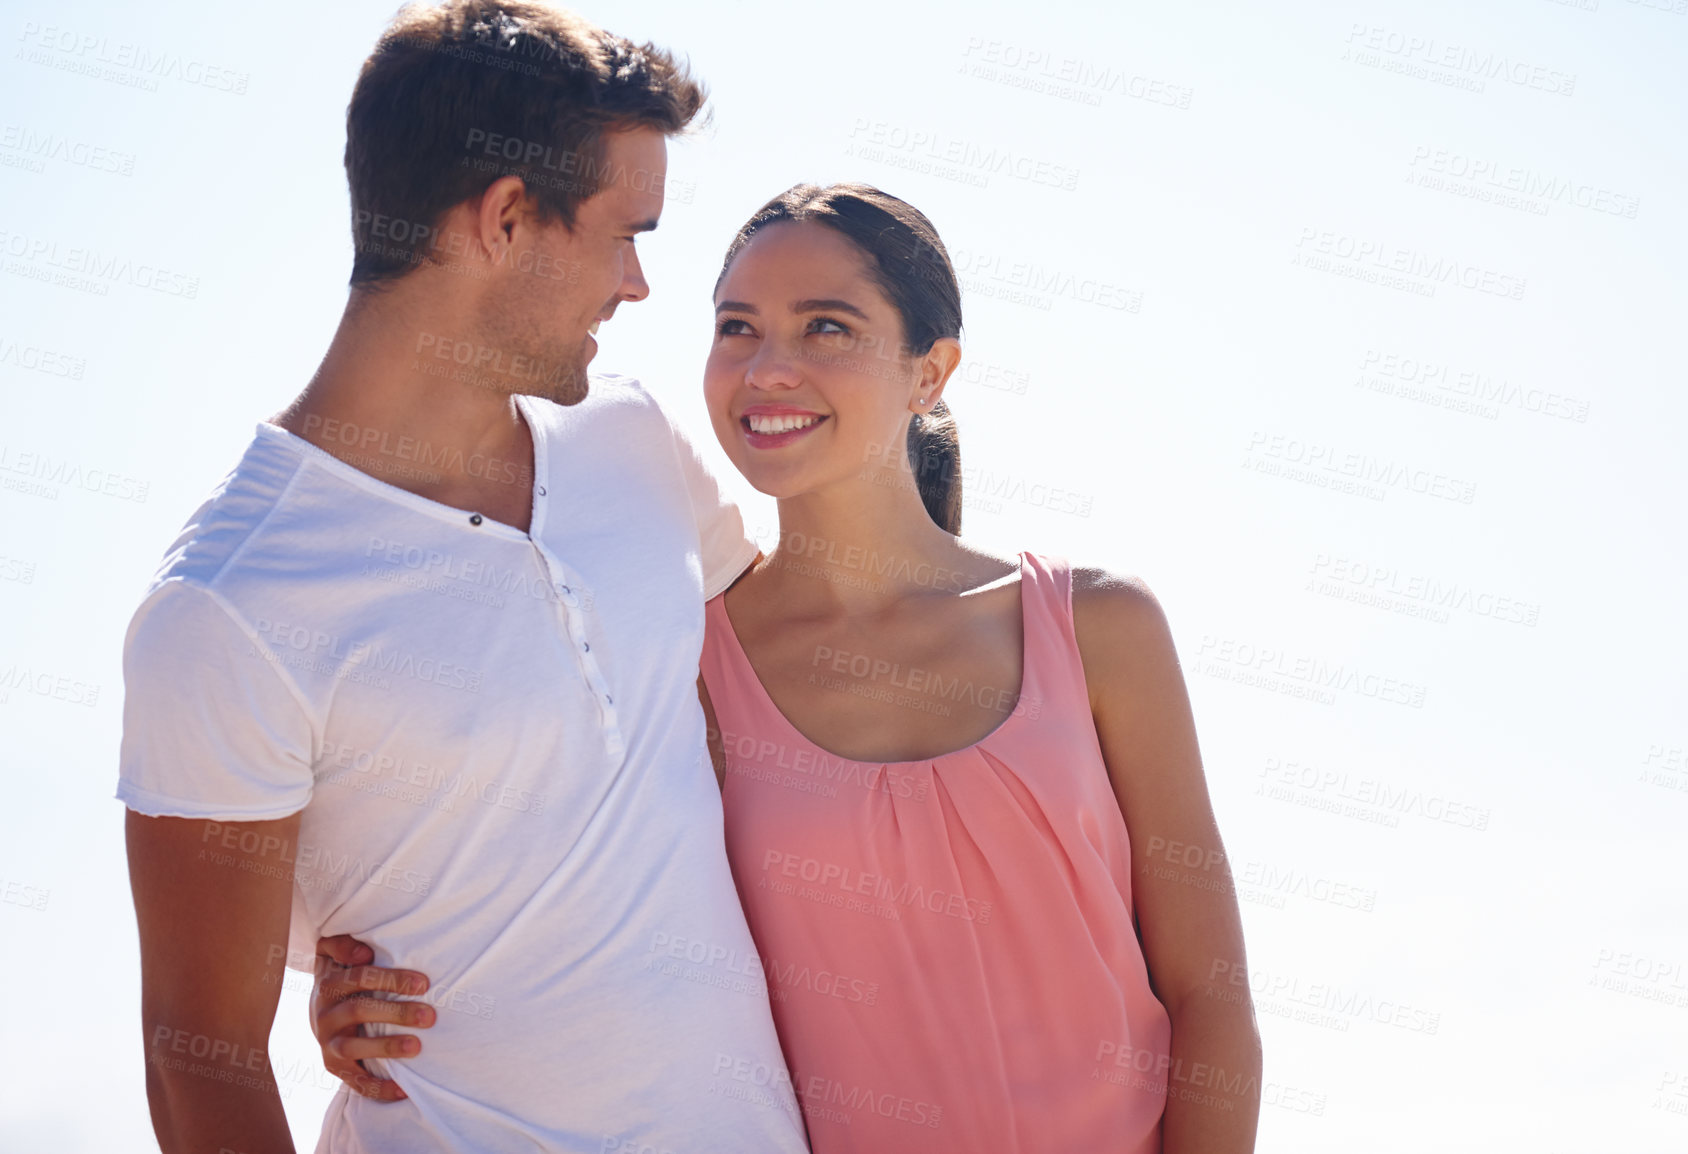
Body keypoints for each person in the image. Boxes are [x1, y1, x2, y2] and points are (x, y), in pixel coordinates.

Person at [312, 184, 1262, 1151]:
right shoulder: (688, 662)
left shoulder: (1097, 625)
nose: (769, 368)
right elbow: (547, 883)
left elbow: (1210, 999)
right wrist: (362, 977)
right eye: (738, 327)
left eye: (826, 328)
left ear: (930, 372)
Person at [115, 3, 807, 1151]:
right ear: (504, 219)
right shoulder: (228, 606)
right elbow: (200, 1059)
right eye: (625, 232)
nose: (637, 284)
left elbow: (806, 690)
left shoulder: (633, 439)